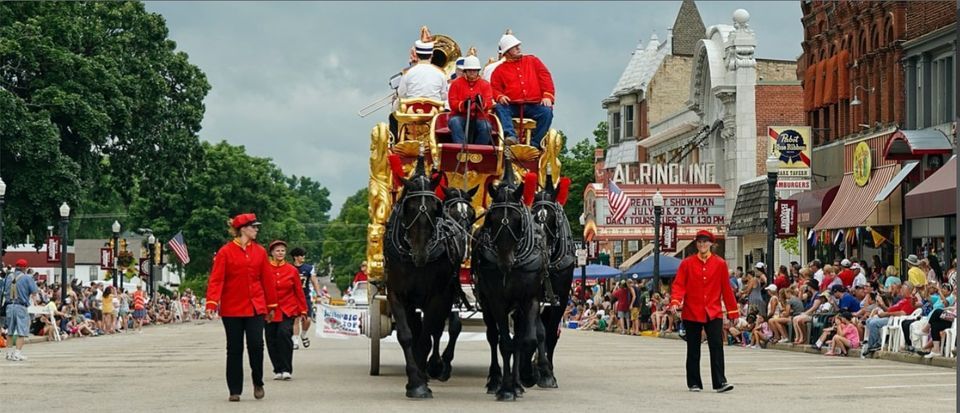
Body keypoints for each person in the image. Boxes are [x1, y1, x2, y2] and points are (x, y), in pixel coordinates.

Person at [205, 213, 278, 402]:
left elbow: (267, 280)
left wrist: (271, 306)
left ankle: (258, 381)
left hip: (255, 307)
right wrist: (212, 302)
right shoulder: (225, 252)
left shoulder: (260, 252)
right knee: (234, 348)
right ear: (243, 229)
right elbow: (217, 279)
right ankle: (234, 389)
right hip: (232, 308)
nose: (256, 230)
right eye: (253, 227)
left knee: (256, 345)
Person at [668, 230, 737, 393]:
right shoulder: (687, 263)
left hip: (713, 311)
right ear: (696, 244)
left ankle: (720, 382)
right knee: (693, 348)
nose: (702, 245)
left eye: (705, 242)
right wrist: (675, 301)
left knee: (717, 346)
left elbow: (726, 289)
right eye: (699, 242)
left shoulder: (720, 263)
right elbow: (679, 285)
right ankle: (694, 382)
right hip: (692, 311)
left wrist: (733, 312)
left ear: (711, 244)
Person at [489, 32, 555, 147]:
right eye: (514, 47)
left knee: (547, 113)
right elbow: (494, 88)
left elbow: (545, 77)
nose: (518, 48)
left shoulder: (533, 61)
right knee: (500, 108)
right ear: (507, 52)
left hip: (533, 104)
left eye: (518, 46)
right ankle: (510, 136)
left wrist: (547, 95)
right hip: (512, 105)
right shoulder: (499, 70)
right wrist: (500, 96)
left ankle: (536, 144)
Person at [264, 240, 307, 381]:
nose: (280, 253)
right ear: (272, 253)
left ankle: (286, 368)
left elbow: (299, 291)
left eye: (282, 250)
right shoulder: (265, 268)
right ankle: (277, 369)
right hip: (269, 310)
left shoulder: (292, 270)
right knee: (271, 339)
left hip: (288, 308)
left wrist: (303, 310)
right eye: (277, 251)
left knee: (284, 335)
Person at [447, 55, 494, 145]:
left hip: (480, 117)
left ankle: (478, 151)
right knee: (455, 122)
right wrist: (463, 105)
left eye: (475, 70)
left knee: (486, 127)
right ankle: (461, 148)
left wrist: (481, 103)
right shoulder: (456, 84)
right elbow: (452, 103)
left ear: (478, 71)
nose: (472, 72)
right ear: (465, 71)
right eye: (470, 70)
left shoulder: (485, 84)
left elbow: (489, 102)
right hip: (460, 116)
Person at [861, 282, 916, 358]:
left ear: (909, 290)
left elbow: (902, 313)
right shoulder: (902, 300)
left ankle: (872, 345)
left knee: (873, 323)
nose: (901, 291)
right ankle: (877, 341)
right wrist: (882, 305)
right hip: (889, 316)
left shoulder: (910, 301)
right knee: (869, 320)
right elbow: (889, 309)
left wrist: (886, 314)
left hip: (894, 319)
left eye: (903, 289)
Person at [397, 33, 448, 103]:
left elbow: (401, 94)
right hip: (434, 110)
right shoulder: (441, 73)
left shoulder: (407, 72)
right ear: (432, 55)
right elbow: (444, 96)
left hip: (412, 111)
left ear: (417, 55)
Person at [3, 259, 37, 361]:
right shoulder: (27, 278)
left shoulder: (8, 277)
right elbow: (34, 291)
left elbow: (4, 290)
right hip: (21, 306)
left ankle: (9, 353)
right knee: (21, 331)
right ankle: (17, 354)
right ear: (24, 268)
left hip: (9, 306)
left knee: (10, 331)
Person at [290, 247, 320, 350]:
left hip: (305, 297)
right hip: (292, 297)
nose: (303, 257)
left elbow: (314, 281)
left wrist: (318, 294)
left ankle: (303, 334)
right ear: (295, 257)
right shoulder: (289, 267)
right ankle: (295, 340)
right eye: (301, 255)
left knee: (307, 319)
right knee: (296, 319)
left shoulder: (309, 268)